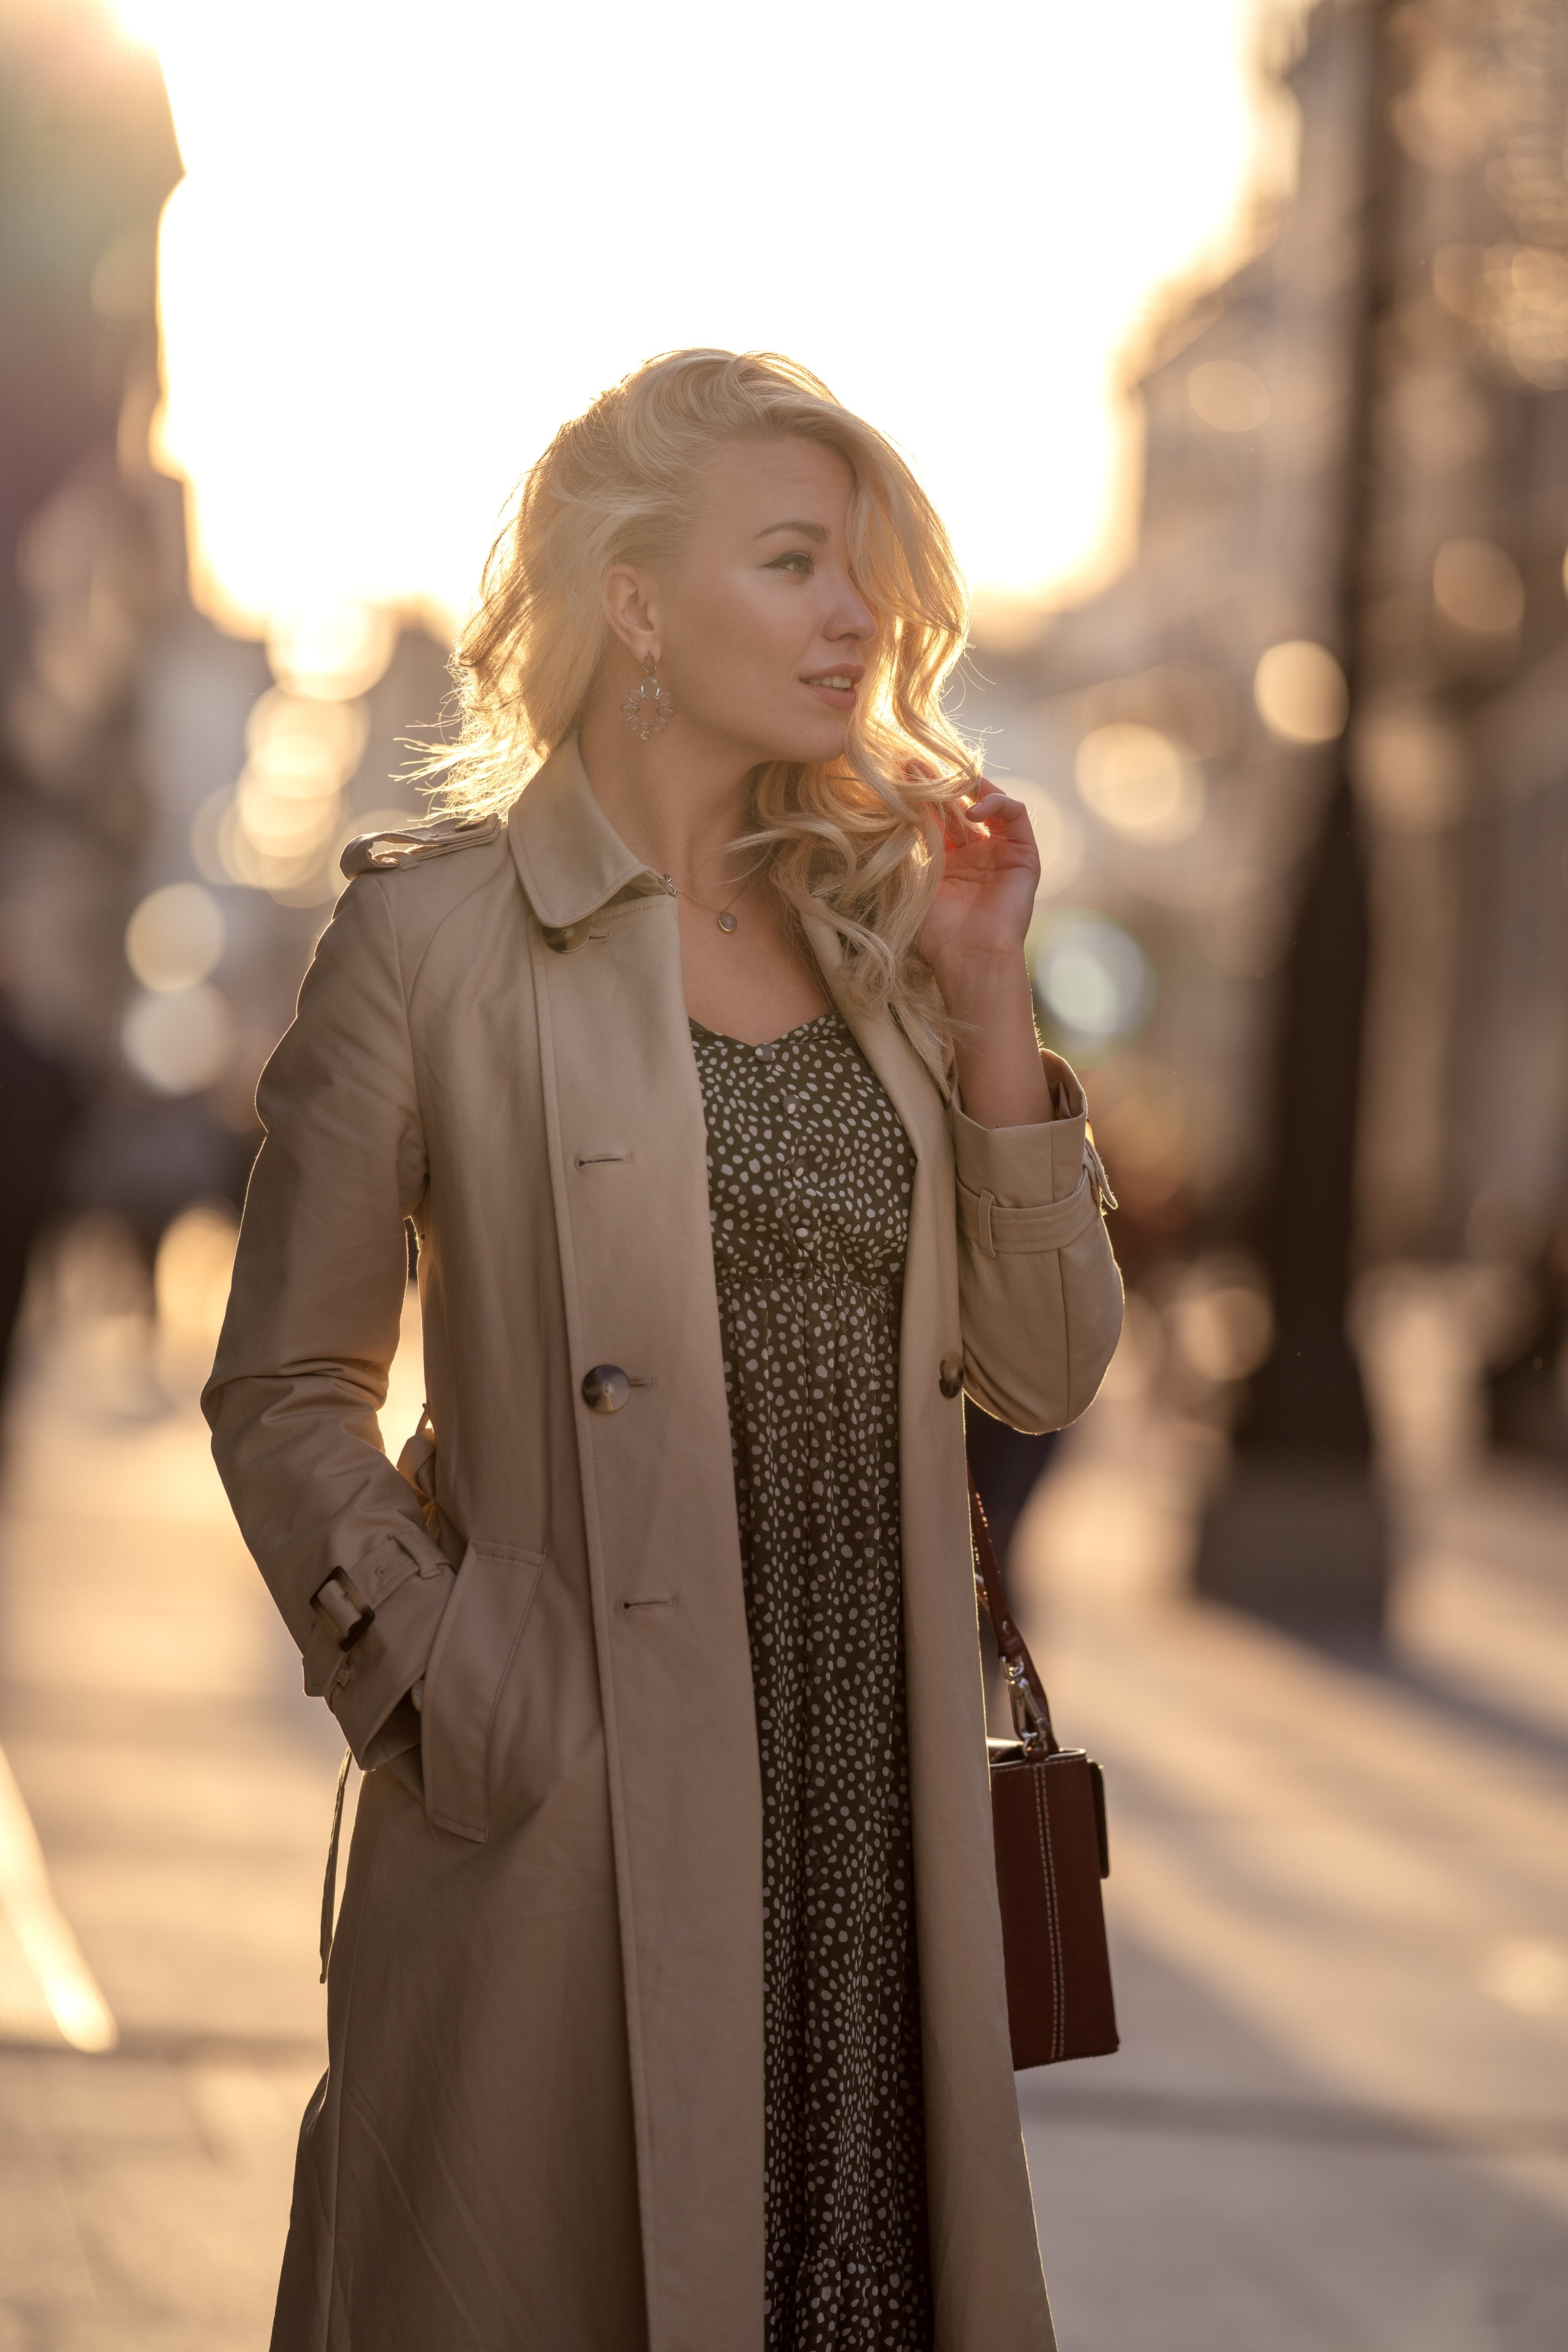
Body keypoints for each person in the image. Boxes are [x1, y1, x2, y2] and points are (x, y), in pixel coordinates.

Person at [205, 349, 1123, 2352]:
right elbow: (285, 1389)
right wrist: (456, 1675)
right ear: (633, 602)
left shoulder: (883, 936)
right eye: (791, 562)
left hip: (869, 1799)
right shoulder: (434, 942)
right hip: (570, 1811)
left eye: (862, 571)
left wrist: (986, 1002)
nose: (852, 617)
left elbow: (1048, 1372)